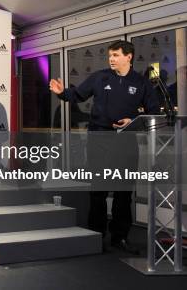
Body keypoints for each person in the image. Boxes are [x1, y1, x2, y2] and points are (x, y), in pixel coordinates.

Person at [50, 40, 160, 254]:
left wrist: (133, 119)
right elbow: (77, 95)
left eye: (116, 55)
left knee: (123, 192)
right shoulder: (100, 77)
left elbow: (153, 110)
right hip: (98, 139)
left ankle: (120, 237)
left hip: (126, 141)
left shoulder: (141, 82)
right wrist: (61, 92)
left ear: (129, 57)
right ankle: (97, 235)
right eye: (110, 55)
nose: (111, 58)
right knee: (98, 190)